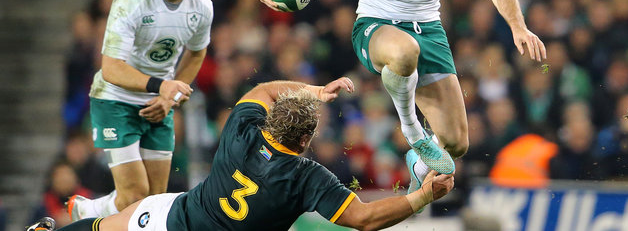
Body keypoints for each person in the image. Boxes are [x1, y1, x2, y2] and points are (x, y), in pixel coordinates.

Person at [252, 0, 546, 192]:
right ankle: (413, 132)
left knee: (457, 143)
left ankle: (418, 162)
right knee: (404, 51)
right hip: (376, 27)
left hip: (429, 33)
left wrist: (519, 27)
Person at [27, 77, 455, 231]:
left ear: (270, 122)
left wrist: (313, 91)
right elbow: (364, 219)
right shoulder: (306, 176)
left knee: (104, 226)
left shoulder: (242, 131)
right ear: (305, 140)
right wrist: (421, 197)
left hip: (172, 218)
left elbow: (264, 89)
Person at [67, 0, 214, 220]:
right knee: (135, 195)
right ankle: (88, 211)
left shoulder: (202, 5)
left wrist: (169, 98)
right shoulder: (131, 0)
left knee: (153, 202)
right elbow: (110, 68)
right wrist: (162, 87)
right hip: (115, 100)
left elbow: (197, 52)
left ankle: (86, 210)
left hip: (158, 103)